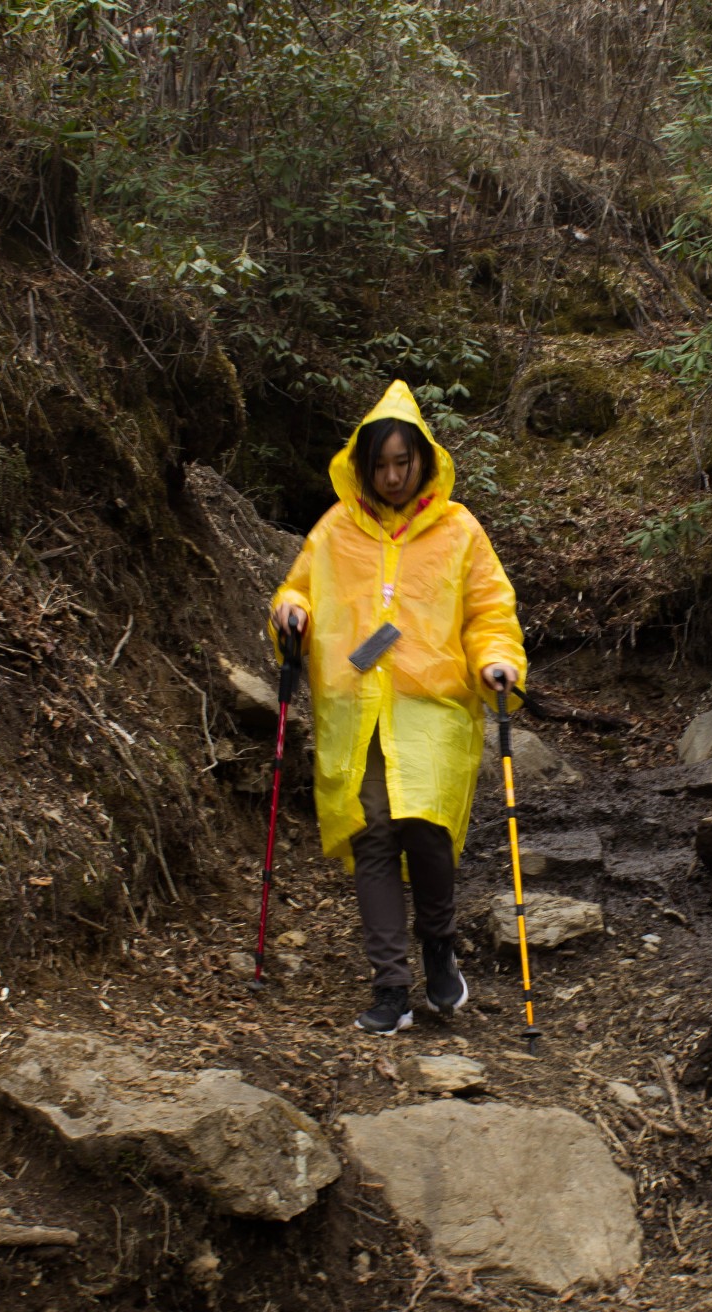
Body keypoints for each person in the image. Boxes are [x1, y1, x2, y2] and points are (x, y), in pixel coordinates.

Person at [270, 379, 527, 1035]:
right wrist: (290, 613)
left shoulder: (460, 529)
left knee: (427, 830)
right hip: (357, 714)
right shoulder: (334, 530)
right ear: (362, 464)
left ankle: (437, 941)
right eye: (379, 463)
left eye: (400, 462)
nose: (389, 475)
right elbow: (295, 592)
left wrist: (498, 659)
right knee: (375, 836)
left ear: (422, 460)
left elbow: (489, 612)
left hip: (433, 709)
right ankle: (391, 986)